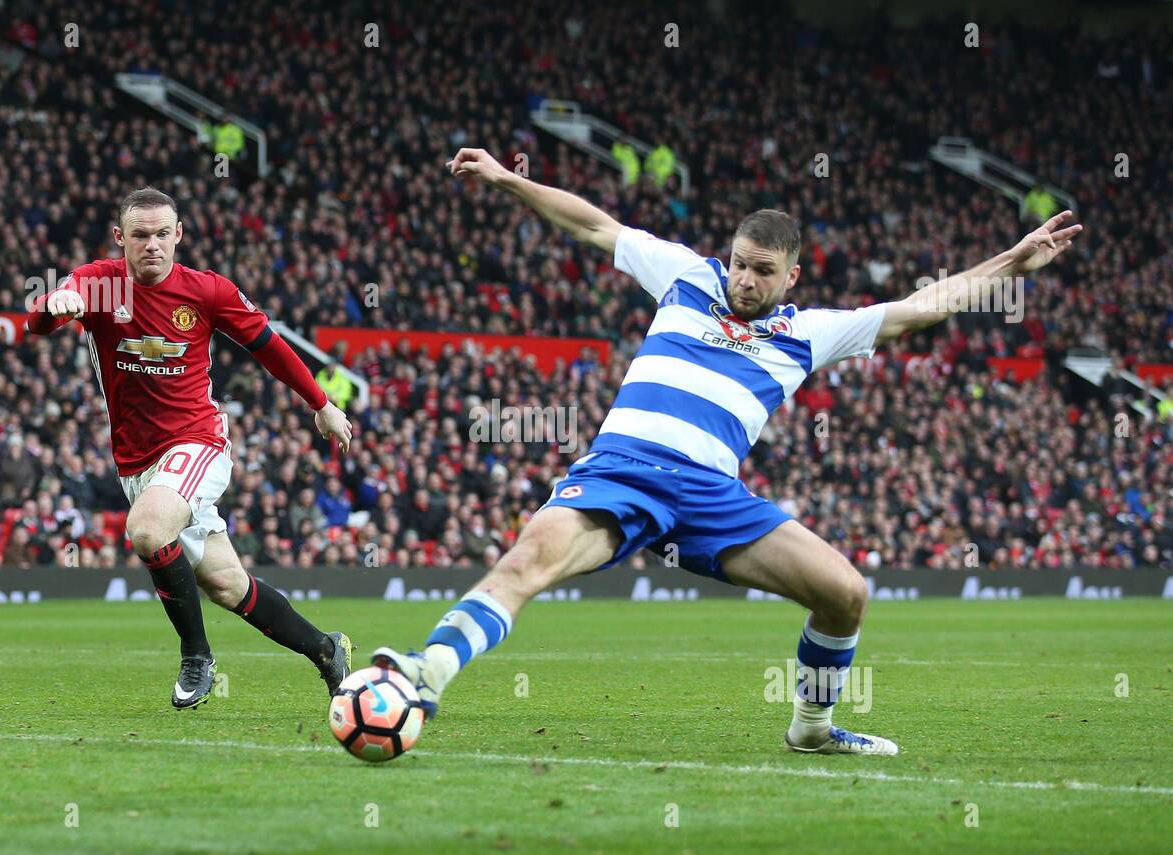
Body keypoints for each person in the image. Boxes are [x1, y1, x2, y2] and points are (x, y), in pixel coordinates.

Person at [372, 147, 1082, 756]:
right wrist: (505, 179)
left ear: (791, 278)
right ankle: (426, 670)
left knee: (845, 595)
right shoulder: (685, 276)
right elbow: (592, 223)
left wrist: (1015, 260)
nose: (745, 280)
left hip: (711, 497)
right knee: (524, 562)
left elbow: (922, 308)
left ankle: (811, 727)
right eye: (740, 264)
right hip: (623, 470)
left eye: (762, 271)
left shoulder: (810, 332)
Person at [27, 187, 355, 709]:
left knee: (147, 530)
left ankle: (196, 654)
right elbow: (36, 324)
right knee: (227, 586)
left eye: (163, 234)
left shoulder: (207, 291)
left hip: (197, 442)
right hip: (137, 464)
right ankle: (326, 650)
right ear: (121, 238)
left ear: (178, 235)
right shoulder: (96, 284)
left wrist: (321, 404)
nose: (152, 245)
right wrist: (53, 306)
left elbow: (268, 345)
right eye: (140, 235)